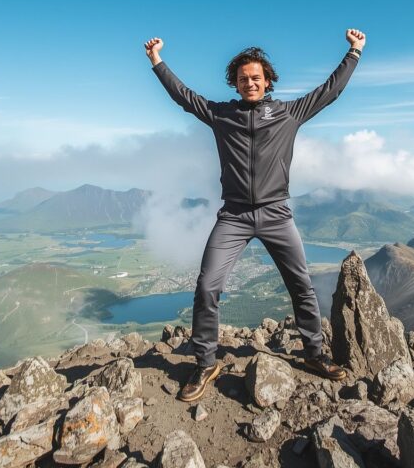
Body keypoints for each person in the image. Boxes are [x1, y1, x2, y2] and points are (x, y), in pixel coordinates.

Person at [144, 29, 366, 402]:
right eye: (244, 78)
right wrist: (157, 61)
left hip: (276, 213)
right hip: (233, 216)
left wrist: (354, 52)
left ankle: (314, 355)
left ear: (267, 82)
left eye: (256, 78)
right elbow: (183, 97)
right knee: (207, 286)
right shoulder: (221, 114)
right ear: (235, 82)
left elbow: (330, 91)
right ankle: (206, 363)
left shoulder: (288, 113)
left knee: (301, 286)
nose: (250, 83)